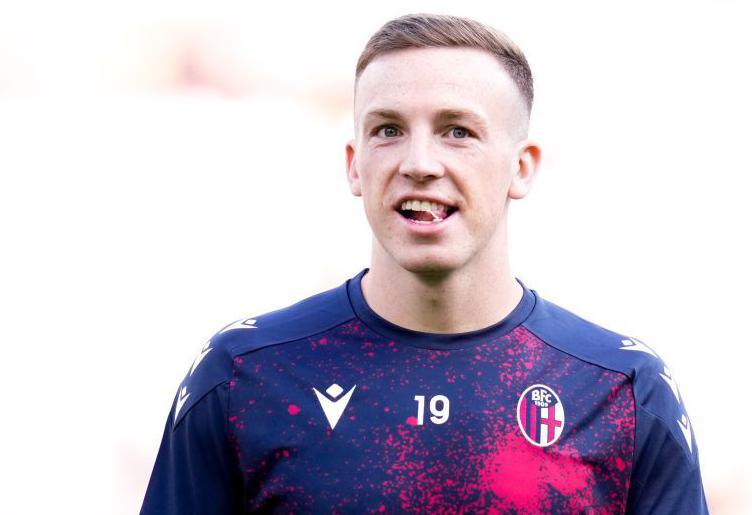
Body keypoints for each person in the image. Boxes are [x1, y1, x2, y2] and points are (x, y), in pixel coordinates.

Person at [141, 13, 709, 514]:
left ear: (523, 167)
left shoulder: (621, 389)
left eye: (457, 132)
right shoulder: (244, 375)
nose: (419, 163)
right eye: (388, 130)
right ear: (354, 164)